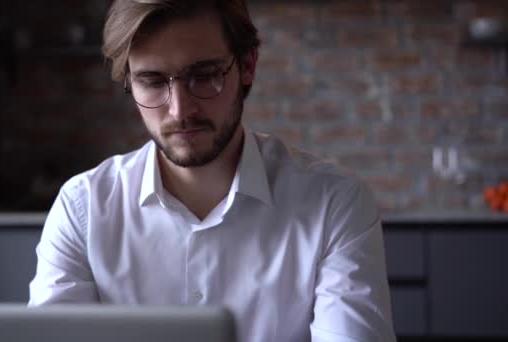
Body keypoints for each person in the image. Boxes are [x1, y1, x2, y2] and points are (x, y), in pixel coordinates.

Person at [29, 1, 397, 341]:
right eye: (153, 82)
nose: (179, 110)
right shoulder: (83, 210)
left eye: (204, 75)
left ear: (248, 65)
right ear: (129, 81)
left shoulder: (334, 205)